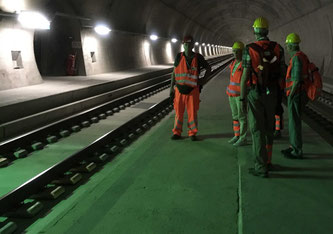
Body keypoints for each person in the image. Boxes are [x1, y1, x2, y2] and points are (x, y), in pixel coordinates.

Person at [240, 17, 286, 177]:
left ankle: (260, 167)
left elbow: (245, 75)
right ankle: (268, 161)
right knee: (269, 129)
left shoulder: (249, 49)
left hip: (255, 93)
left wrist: (241, 97)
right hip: (271, 92)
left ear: (255, 31)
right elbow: (282, 73)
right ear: (267, 30)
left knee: (257, 129)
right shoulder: (278, 48)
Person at [170, 35, 211, 141]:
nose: (187, 46)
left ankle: (192, 133)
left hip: (193, 91)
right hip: (179, 90)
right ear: (183, 45)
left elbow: (208, 68)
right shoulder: (179, 56)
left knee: (192, 113)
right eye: (185, 44)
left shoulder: (198, 57)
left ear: (193, 45)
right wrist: (171, 88)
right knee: (178, 113)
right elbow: (174, 72)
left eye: (189, 44)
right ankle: (177, 132)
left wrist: (203, 80)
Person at [281, 33, 309, 159]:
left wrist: (290, 95)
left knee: (294, 123)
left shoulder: (297, 58)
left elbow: (296, 80)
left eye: (287, 45)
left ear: (292, 46)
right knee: (294, 122)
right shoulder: (302, 56)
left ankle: (297, 151)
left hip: (296, 94)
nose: (287, 47)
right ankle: (293, 146)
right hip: (299, 93)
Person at [227, 41, 248, 146]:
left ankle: (243, 137)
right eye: (234, 51)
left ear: (242, 52)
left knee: (242, 117)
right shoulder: (233, 63)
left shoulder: (244, 64)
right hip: (231, 95)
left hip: (240, 95)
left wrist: (243, 97)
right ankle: (237, 135)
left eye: (237, 51)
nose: (235, 54)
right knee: (235, 116)